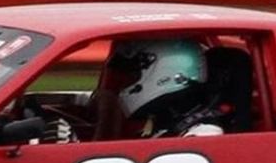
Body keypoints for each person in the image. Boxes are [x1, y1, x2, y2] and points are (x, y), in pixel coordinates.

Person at [99, 38, 241, 138]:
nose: (126, 82)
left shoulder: (204, 134)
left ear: (162, 71)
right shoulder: (165, 124)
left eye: (134, 74)